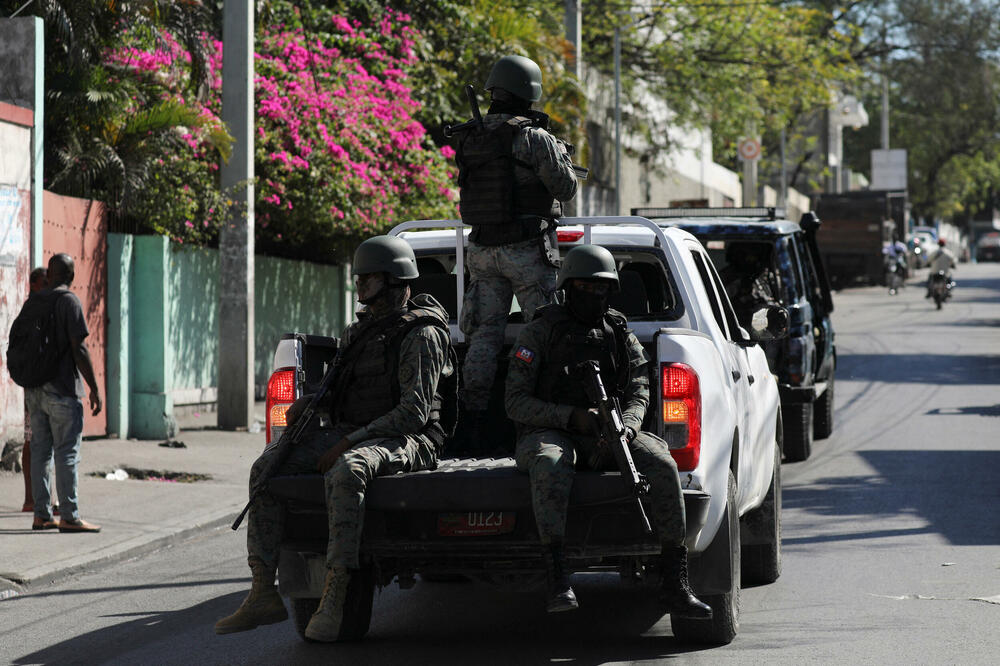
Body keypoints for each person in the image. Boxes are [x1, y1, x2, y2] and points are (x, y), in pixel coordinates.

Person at [215, 235, 456, 642]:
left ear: (395, 280)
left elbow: (413, 413)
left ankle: (336, 596)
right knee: (267, 466)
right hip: (358, 432)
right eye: (359, 279)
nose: (360, 287)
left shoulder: (422, 334)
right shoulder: (357, 332)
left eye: (369, 279)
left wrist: (348, 442)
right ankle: (262, 592)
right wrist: (308, 404)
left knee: (347, 470)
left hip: (410, 438)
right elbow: (339, 391)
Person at [504, 244, 712, 618]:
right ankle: (557, 576)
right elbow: (515, 402)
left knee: (663, 464)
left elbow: (639, 387)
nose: (595, 296)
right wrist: (571, 417)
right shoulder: (540, 331)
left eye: (602, 289)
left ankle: (674, 583)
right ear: (569, 287)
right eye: (586, 288)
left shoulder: (617, 332)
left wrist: (628, 427)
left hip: (612, 429)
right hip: (552, 432)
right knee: (551, 463)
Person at [454, 54, 579, 449]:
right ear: (530, 93)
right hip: (525, 249)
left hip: (482, 249)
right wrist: (562, 158)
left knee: (484, 336)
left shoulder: (471, 135)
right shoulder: (533, 138)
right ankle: (541, 417)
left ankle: (471, 422)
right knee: (544, 333)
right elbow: (566, 189)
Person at [25, 254, 102, 532]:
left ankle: (42, 514)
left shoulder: (35, 301)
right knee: (67, 453)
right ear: (71, 275)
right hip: (62, 390)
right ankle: (69, 516)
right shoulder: (69, 301)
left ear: (50, 273)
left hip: (34, 390)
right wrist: (93, 388)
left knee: (40, 452)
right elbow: (79, 349)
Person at [21, 267, 49, 513]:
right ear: (33, 284)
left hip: (45, 385)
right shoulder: (31, 311)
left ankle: (43, 499)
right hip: (33, 386)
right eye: (44, 282)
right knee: (31, 440)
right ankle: (30, 498)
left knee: (47, 441)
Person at [720, 243, 781, 329]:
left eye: (753, 255)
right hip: (735, 327)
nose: (750, 259)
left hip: (763, 326)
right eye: (745, 254)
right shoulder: (725, 278)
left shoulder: (768, 278)